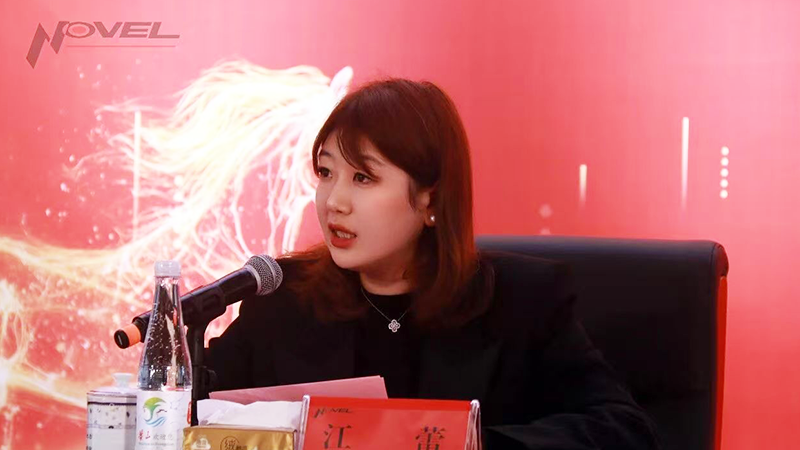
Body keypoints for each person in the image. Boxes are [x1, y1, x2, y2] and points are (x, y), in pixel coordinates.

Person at [206, 78, 660, 449]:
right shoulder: (284, 296)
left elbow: (623, 429)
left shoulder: (522, 302)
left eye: (363, 177)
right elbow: (192, 411)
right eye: (326, 173)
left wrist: (470, 443)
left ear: (431, 199)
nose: (334, 202)